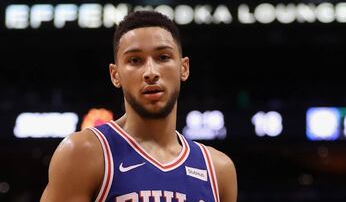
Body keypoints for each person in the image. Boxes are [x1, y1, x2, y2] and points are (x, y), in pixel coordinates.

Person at [40, 10, 237, 202]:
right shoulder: (83, 152)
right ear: (115, 75)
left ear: (183, 68)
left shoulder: (218, 169)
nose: (150, 72)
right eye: (135, 60)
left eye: (163, 57)